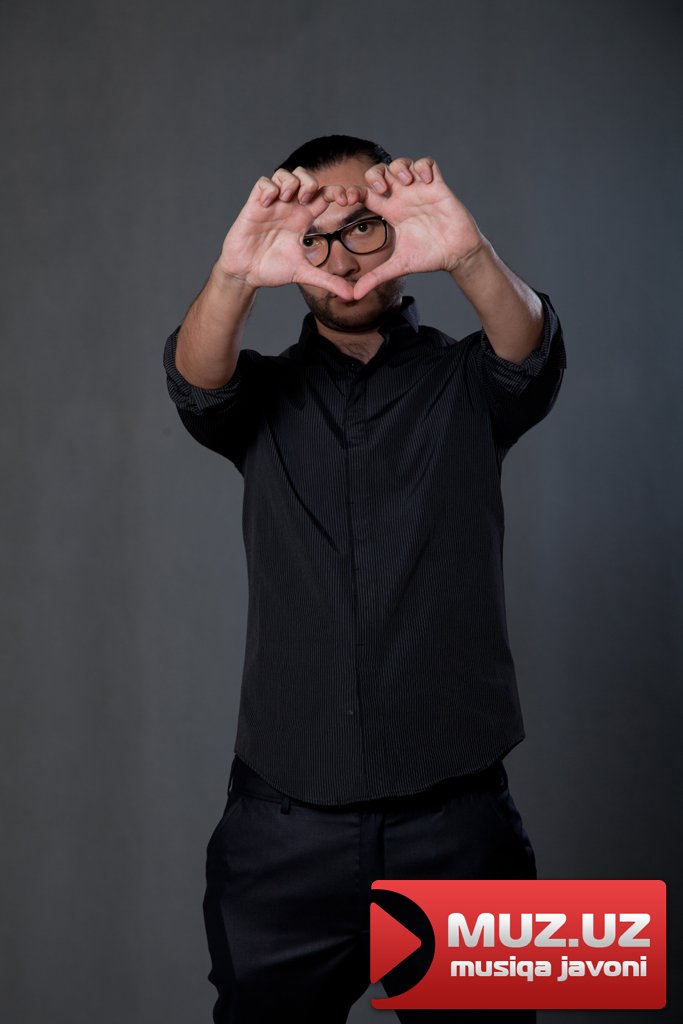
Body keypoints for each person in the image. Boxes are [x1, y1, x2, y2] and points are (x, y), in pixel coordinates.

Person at [163, 134, 565, 1024]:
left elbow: (529, 348)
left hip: (459, 825)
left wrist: (465, 252)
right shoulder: (259, 394)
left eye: (361, 229)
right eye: (314, 238)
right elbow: (195, 381)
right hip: (280, 830)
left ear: (395, 229)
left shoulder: (467, 381)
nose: (341, 259)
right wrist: (235, 272)